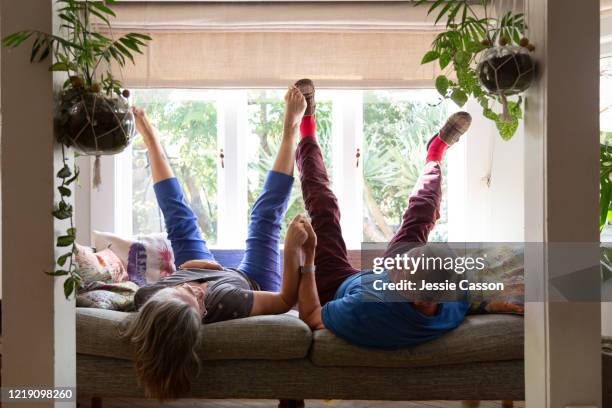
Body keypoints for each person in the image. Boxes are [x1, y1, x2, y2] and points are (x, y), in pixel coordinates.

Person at [123, 85, 316, 400]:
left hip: (201, 268)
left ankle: (152, 143)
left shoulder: (145, 297)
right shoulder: (224, 303)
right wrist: (293, 249)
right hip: (249, 281)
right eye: (199, 304)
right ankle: (289, 131)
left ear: (160, 298)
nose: (199, 294)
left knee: (178, 218)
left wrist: (191, 270)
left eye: (187, 294)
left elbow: (182, 276)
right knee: (262, 217)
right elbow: (284, 302)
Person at [294, 79, 472, 349]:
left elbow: (309, 316)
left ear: (421, 300)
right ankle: (435, 152)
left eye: (400, 272)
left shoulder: (365, 312)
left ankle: (306, 128)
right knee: (420, 214)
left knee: (324, 208)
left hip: (339, 287)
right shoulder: (450, 298)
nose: (393, 265)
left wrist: (307, 258)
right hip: (386, 286)